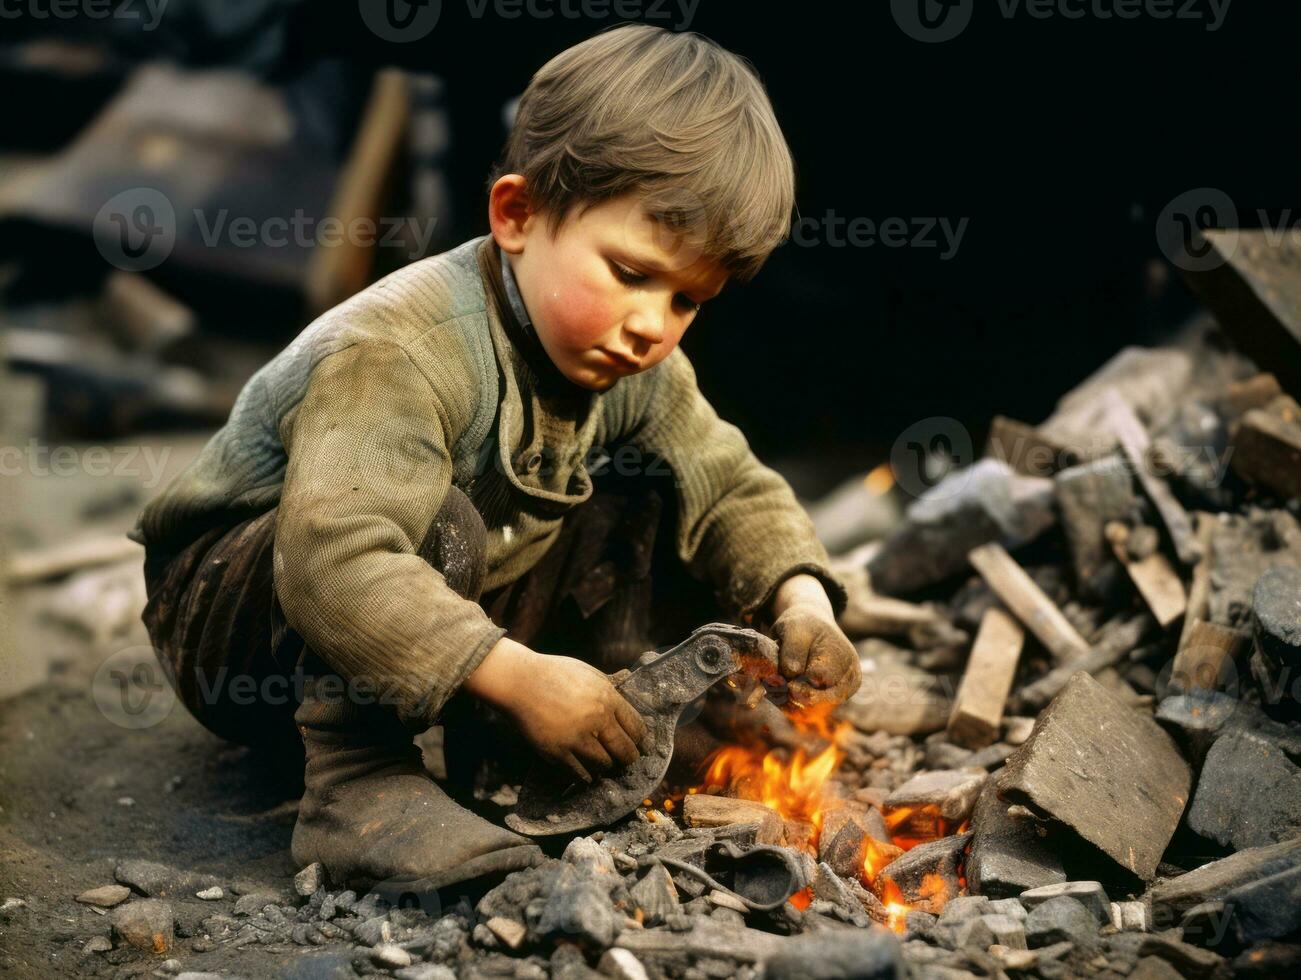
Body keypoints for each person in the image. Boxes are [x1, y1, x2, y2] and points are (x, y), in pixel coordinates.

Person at [135, 23, 861, 893]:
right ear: (516, 215)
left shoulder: (629, 360)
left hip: (402, 606)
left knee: (654, 476)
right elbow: (334, 559)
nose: (652, 325)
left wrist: (801, 598)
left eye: (687, 299)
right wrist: (513, 674)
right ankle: (355, 785)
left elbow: (727, 480)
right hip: (235, 619)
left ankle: (568, 729)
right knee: (436, 516)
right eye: (629, 273)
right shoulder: (404, 349)